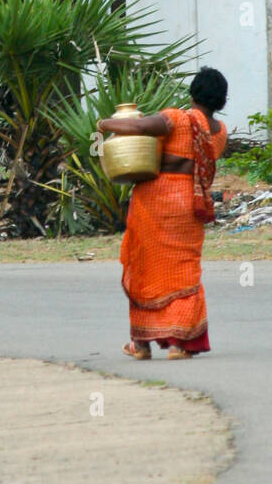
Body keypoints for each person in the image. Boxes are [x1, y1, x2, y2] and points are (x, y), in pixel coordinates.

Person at [97, 68, 228, 360]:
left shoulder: (178, 118)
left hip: (155, 202)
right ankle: (181, 344)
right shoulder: (219, 133)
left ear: (193, 94)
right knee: (185, 270)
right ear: (221, 100)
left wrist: (105, 123)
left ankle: (141, 344)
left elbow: (142, 128)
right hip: (191, 205)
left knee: (145, 266)